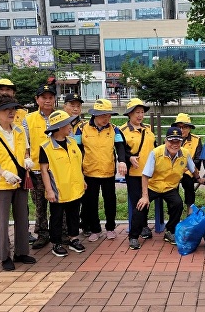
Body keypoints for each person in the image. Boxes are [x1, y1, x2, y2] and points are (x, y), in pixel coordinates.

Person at [0, 94, 36, 271]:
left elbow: (26, 153)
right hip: (0, 183)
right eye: (6, 109)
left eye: (13, 108)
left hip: (19, 180)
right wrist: (3, 172)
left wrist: (27, 160)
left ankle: (21, 252)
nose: (12, 112)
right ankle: (4, 256)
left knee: (22, 218)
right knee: (2, 221)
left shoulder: (19, 130)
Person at [128, 127, 204, 250]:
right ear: (165, 141)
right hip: (153, 186)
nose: (174, 145)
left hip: (170, 187)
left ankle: (170, 231)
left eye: (177, 142)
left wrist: (198, 178)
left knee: (178, 204)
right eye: (171, 141)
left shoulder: (185, 153)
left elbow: (193, 168)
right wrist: (144, 196)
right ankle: (133, 237)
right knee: (140, 206)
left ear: (181, 141)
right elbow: (145, 175)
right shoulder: (156, 153)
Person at [40, 110, 86, 257]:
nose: (71, 126)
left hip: (75, 187)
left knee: (74, 215)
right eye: (68, 124)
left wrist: (82, 180)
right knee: (57, 217)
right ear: (59, 127)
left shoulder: (72, 142)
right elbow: (44, 170)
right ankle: (56, 243)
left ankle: (73, 239)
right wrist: (49, 190)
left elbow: (78, 164)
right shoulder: (46, 147)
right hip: (58, 189)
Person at [81, 99, 127, 241]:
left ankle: (111, 228)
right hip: (89, 172)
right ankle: (95, 229)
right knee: (91, 202)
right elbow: (76, 149)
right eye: (103, 116)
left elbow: (120, 146)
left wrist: (122, 161)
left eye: (108, 116)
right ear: (95, 115)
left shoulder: (114, 129)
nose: (106, 119)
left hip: (107, 171)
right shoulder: (82, 129)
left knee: (110, 201)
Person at [22, 84, 57, 249]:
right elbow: (25, 144)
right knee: (40, 204)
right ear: (37, 100)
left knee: (59, 202)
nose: (48, 101)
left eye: (51, 97)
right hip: (36, 169)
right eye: (44, 97)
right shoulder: (28, 119)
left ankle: (60, 233)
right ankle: (42, 233)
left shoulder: (61, 116)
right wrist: (26, 159)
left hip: (58, 168)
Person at [119, 98, 157, 239]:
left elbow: (155, 147)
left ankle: (143, 225)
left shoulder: (148, 129)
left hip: (150, 172)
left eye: (142, 112)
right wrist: (129, 158)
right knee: (137, 201)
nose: (140, 115)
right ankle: (141, 227)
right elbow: (121, 150)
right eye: (137, 112)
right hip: (134, 173)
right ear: (129, 114)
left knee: (146, 199)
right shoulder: (122, 131)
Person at [171, 113, 202, 214]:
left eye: (185, 127)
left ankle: (190, 208)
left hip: (189, 171)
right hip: (173, 171)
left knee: (188, 182)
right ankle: (174, 210)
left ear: (190, 128)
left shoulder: (196, 140)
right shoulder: (170, 139)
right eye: (179, 127)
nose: (182, 129)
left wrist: (185, 169)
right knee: (171, 184)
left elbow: (197, 160)